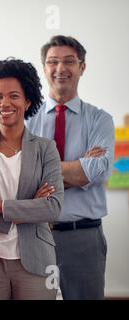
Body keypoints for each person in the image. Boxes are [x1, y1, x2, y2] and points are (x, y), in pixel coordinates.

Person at [26, 35, 115, 299]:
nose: (60, 69)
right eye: (53, 62)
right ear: (44, 67)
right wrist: (78, 169)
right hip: (36, 235)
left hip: (84, 236)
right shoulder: (28, 120)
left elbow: (99, 170)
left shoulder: (100, 119)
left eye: (69, 61)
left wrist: (44, 170)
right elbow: (22, 175)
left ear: (82, 67)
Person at [0, 58, 63, 299]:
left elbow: (53, 208)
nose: (5, 103)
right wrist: (30, 207)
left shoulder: (46, 148)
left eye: (13, 96)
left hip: (36, 260)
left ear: (27, 101)